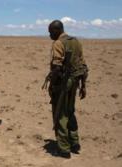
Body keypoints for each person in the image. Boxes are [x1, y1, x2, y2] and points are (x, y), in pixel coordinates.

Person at [43, 20, 89, 159]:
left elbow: (57, 67)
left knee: (60, 114)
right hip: (74, 82)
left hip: (63, 84)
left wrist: (52, 84)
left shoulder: (58, 43)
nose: (49, 34)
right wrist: (83, 85)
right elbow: (83, 65)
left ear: (57, 30)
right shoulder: (76, 41)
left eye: (51, 31)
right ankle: (75, 143)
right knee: (70, 111)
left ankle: (64, 149)